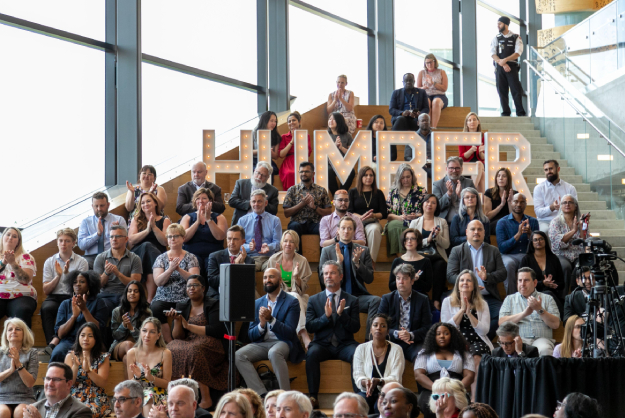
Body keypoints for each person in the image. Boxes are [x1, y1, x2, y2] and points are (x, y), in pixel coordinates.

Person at [235, 267, 304, 395]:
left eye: (271, 277)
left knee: (274, 352)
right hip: (261, 343)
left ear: (280, 279)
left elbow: (289, 332)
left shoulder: (291, 302)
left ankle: (285, 395)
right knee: (238, 355)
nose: (268, 280)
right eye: (265, 277)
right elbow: (251, 334)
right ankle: (261, 394)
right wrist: (261, 324)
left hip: (282, 342)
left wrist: (271, 319)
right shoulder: (257, 303)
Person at [167, 275, 228, 410]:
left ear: (203, 288)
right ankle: (175, 396)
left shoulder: (213, 304)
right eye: (189, 286)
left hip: (212, 341)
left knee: (195, 350)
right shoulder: (182, 305)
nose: (191, 288)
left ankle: (206, 398)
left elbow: (217, 330)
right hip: (189, 340)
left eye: (195, 285)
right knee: (169, 349)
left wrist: (188, 326)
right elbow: (177, 336)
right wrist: (177, 320)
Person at [305, 261, 361, 410]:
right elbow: (310, 326)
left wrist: (342, 315)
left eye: (332, 273)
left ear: (341, 276)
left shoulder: (352, 300)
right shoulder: (313, 300)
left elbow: (355, 327)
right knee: (311, 353)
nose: (328, 276)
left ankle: (359, 396)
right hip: (322, 344)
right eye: (326, 273)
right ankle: (313, 397)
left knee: (358, 352)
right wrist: (326, 317)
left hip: (345, 344)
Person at [319, 217, 380, 339]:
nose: (346, 231)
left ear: (354, 231)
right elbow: (322, 280)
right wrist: (338, 263)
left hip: (357, 297)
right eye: (343, 228)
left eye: (349, 228)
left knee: (376, 301)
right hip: (336, 295)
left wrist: (358, 264)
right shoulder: (327, 251)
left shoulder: (363, 250)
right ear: (338, 231)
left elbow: (369, 279)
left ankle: (370, 340)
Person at [447, 220, 506, 339]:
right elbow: (450, 275)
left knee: (502, 315)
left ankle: (480, 340)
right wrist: (469, 286)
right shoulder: (457, 250)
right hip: (463, 297)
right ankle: (467, 343)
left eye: (479, 229)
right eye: (473, 229)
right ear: (466, 232)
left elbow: (503, 273)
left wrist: (487, 277)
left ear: (484, 233)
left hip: (488, 297)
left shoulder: (493, 250)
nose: (476, 232)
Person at [441, 270, 493, 399]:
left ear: (474, 285)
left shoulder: (483, 304)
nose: (465, 282)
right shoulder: (447, 301)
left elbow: (484, 330)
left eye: (469, 280)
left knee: (476, 356)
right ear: (457, 284)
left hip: (477, 340)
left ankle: (475, 400)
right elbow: (445, 329)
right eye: (462, 280)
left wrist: (469, 314)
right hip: (456, 340)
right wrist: (462, 311)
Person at [151, 223, 200, 342]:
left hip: (184, 296)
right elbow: (158, 282)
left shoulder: (191, 257)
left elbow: (195, 279)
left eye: (176, 236)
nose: (172, 239)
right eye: (169, 236)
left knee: (182, 307)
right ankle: (169, 342)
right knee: (155, 307)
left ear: (183, 238)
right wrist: (170, 269)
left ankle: (180, 339)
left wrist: (178, 269)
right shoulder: (161, 258)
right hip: (164, 296)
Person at [266, 230, 314, 349]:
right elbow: (269, 286)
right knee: (293, 297)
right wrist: (279, 278)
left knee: (294, 296)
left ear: (296, 244)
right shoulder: (273, 260)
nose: (288, 244)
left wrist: (296, 277)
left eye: (292, 242)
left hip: (298, 297)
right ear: (282, 243)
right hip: (277, 298)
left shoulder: (302, 261)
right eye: (286, 241)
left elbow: (301, 290)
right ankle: (303, 334)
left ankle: (301, 333)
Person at [42, 229, 89, 347]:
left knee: (72, 307)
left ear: (74, 243)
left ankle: (60, 341)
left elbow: (82, 287)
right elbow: (46, 290)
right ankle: (50, 344)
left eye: (67, 241)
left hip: (72, 295)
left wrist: (67, 275)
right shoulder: (49, 261)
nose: (63, 244)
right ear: (57, 242)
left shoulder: (81, 262)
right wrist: (58, 276)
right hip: (54, 296)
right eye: (61, 240)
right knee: (46, 308)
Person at [414, 325, 474, 418]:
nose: (442, 336)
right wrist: (436, 388)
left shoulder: (463, 353)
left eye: (446, 333)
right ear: (433, 337)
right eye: (438, 334)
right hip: (432, 388)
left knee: (463, 403)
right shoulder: (424, 353)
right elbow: (418, 375)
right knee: (426, 403)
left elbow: (469, 376)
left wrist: (455, 388)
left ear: (452, 336)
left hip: (456, 388)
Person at [499, 267, 561, 356]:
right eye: (520, 280)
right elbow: (501, 323)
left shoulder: (548, 298)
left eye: (526, 280)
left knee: (545, 350)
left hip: (541, 339)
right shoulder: (509, 299)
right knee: (516, 350)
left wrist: (540, 310)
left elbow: (555, 324)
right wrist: (524, 314)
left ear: (535, 283)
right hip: (519, 340)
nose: (522, 284)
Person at [352, 314, 405, 413]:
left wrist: (379, 381)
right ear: (371, 329)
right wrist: (366, 382)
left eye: (383, 326)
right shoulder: (360, 348)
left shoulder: (397, 349)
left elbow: (396, 378)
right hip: (366, 392)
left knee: (380, 407)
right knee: (359, 404)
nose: (378, 328)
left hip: (389, 392)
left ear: (388, 331)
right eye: (375, 325)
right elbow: (358, 375)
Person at [50, 271, 107, 362]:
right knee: (58, 353)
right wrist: (74, 316)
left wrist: (84, 310)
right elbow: (60, 334)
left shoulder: (99, 302)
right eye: (75, 282)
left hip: (91, 340)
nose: (78, 284)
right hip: (69, 341)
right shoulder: (65, 304)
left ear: (90, 285)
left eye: (82, 282)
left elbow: (98, 328)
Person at [379, 264, 432, 362]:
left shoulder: (423, 299)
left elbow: (427, 327)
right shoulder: (387, 299)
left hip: (413, 343)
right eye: (398, 278)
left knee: (422, 357)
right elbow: (379, 325)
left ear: (412, 281)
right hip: (391, 341)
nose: (401, 282)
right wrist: (397, 333)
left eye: (404, 278)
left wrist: (410, 335)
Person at [409, 194, 450, 308]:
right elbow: (411, 243)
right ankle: (421, 298)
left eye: (433, 202)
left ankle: (436, 300)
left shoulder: (442, 222)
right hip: (419, 255)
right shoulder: (414, 223)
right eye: (427, 201)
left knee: (441, 264)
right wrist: (429, 239)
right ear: (422, 204)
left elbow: (446, 245)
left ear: (437, 206)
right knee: (423, 262)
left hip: (437, 255)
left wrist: (437, 237)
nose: (429, 204)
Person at [126, 317, 172, 417]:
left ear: (158, 335)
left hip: (159, 393)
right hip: (137, 393)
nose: (147, 335)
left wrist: (152, 378)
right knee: (145, 397)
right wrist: (137, 377)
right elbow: (130, 386)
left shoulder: (165, 353)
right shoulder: (132, 353)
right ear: (140, 333)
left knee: (149, 396)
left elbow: (167, 384)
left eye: (152, 332)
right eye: (144, 331)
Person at [128, 192, 171, 301]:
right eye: (142, 202)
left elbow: (165, 242)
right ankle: (150, 299)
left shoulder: (165, 220)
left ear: (155, 203)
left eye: (148, 201)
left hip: (157, 253)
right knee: (147, 246)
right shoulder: (136, 219)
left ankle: (150, 298)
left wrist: (154, 227)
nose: (145, 204)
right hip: (139, 253)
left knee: (151, 253)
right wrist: (147, 230)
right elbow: (131, 239)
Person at [64, 323, 111, 418]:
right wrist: (75, 367)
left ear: (96, 339)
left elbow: (102, 383)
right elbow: (68, 383)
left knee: (86, 413)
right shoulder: (70, 356)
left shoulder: (103, 357)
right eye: (82, 335)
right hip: (74, 395)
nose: (86, 339)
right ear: (78, 337)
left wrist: (89, 371)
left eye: (90, 336)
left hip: (96, 396)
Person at [283, 162, 333, 250]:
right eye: (301, 172)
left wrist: (314, 207)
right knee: (293, 226)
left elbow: (328, 212)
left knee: (323, 227)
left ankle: (324, 262)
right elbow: (286, 213)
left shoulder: (321, 190)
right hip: (298, 222)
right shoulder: (292, 190)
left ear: (313, 173)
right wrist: (302, 204)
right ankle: (298, 260)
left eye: (306, 171)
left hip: (315, 223)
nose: (303, 174)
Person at [94, 224, 143, 313]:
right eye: (111, 236)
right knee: (100, 306)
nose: (114, 239)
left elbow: (135, 283)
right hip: (106, 295)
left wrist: (118, 274)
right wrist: (106, 273)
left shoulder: (135, 258)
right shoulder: (100, 257)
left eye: (117, 236)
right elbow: (98, 285)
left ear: (126, 239)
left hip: (126, 295)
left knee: (125, 309)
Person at [496, 193, 539, 294]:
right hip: (509, 255)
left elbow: (538, 246)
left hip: (527, 254)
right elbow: (502, 248)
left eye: (522, 202)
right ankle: (511, 298)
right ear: (511, 203)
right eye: (515, 201)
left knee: (534, 262)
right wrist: (518, 234)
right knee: (509, 264)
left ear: (525, 204)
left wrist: (530, 234)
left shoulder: (533, 222)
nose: (518, 204)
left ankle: (532, 298)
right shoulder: (502, 222)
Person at [180, 188, 227, 277]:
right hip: (192, 254)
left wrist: (209, 219)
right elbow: (184, 238)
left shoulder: (219, 217)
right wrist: (197, 222)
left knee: (210, 266)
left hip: (213, 255)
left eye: (204, 198)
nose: (201, 201)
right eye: (198, 198)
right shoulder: (187, 217)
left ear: (210, 201)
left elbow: (220, 236)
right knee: (195, 266)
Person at [348, 166, 388, 263]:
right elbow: (349, 211)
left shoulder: (378, 193)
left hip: (372, 222)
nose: (368, 177)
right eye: (365, 175)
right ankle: (353, 262)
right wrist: (361, 217)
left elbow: (384, 213)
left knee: (374, 230)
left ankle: (371, 262)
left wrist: (373, 215)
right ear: (361, 177)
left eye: (371, 175)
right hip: (356, 222)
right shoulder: (353, 192)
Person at [22, 363, 92, 418]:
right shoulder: (34, 408)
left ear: (68, 384)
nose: (50, 383)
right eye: (48, 378)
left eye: (56, 379)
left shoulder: (81, 411)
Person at [520, 231, 565, 316]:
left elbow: (562, 283)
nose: (538, 242)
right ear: (531, 243)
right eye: (535, 240)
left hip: (552, 294)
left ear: (545, 241)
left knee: (551, 295)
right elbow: (522, 283)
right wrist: (542, 284)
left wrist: (552, 284)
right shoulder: (526, 259)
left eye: (541, 239)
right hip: (531, 295)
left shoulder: (553, 258)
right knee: (548, 294)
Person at [109, 281, 153, 369]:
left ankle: (132, 382)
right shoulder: (117, 311)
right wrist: (123, 325)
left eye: (136, 291)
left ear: (140, 294)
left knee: (127, 359)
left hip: (139, 346)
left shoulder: (147, 313)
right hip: (119, 346)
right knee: (129, 345)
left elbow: (146, 337)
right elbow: (115, 336)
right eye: (130, 291)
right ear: (126, 293)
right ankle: (142, 374)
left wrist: (132, 328)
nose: (132, 293)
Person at [385, 164, 426, 257]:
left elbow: (425, 212)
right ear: (399, 178)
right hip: (396, 220)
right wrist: (399, 217)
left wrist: (416, 216)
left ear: (412, 177)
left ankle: (409, 257)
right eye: (403, 177)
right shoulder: (393, 192)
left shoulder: (421, 191)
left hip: (415, 221)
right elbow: (387, 213)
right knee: (394, 225)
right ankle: (402, 258)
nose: (406, 180)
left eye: (408, 177)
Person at [0, 318, 38, 418]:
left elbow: (30, 383)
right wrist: (11, 370)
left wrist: (18, 364)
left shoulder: (32, 353)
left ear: (24, 333)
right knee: (2, 413)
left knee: (21, 413)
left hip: (25, 397)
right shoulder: (0, 353)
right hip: (2, 397)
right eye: (10, 329)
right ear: (6, 335)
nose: (13, 331)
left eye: (18, 329)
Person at [77, 192, 127, 268]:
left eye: (102, 205)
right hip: (91, 257)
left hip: (112, 255)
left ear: (108, 205)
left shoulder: (119, 220)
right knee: (82, 264)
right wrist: (97, 234)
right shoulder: (86, 222)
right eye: (96, 206)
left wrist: (117, 233)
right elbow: (81, 245)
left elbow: (125, 243)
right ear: (92, 206)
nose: (99, 209)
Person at [0, 227, 37, 328]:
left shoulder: (26, 257)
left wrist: (13, 263)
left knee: (23, 310)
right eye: (8, 234)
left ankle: (23, 344)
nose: (10, 237)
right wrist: (3, 262)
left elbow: (24, 279)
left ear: (18, 241)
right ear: (2, 237)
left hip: (21, 296)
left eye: (14, 236)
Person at [205, 225, 255, 298]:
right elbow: (212, 281)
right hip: (218, 296)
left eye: (235, 239)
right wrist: (234, 266)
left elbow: (250, 284)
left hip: (239, 295)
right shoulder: (215, 256)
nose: (231, 242)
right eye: (229, 239)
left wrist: (241, 265)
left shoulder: (249, 261)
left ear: (243, 242)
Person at [237, 190, 282, 271]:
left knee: (272, 272)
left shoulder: (275, 220)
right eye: (253, 201)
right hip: (249, 257)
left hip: (269, 257)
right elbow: (237, 244)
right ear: (250, 203)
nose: (256, 204)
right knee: (247, 272)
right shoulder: (242, 221)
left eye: (259, 201)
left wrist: (269, 247)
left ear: (266, 203)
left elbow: (278, 244)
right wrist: (248, 247)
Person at [490, 16, 526, 117]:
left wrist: (505, 60)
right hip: (500, 68)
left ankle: (520, 113)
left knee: (516, 90)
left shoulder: (516, 37)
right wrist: (502, 63)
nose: (498, 25)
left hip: (512, 67)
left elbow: (518, 52)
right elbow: (493, 53)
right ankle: (505, 113)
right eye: (497, 23)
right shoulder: (496, 38)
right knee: (502, 91)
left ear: (506, 24)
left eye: (500, 23)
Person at [549, 194, 583, 295]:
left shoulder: (579, 221)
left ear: (575, 206)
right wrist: (573, 231)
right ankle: (563, 298)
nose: (567, 204)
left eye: (570, 202)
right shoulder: (556, 221)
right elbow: (557, 243)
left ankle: (577, 297)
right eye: (564, 202)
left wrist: (583, 226)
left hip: (577, 254)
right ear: (561, 206)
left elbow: (584, 240)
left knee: (580, 267)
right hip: (561, 254)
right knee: (566, 267)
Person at [229, 162, 280, 226]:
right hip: (241, 223)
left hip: (262, 223)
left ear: (268, 177)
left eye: (263, 175)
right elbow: (232, 201)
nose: (259, 177)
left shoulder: (273, 190)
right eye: (258, 173)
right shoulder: (241, 184)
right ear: (254, 171)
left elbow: (274, 211)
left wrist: (263, 202)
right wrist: (251, 203)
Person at [533, 160, 578, 232]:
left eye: (551, 168)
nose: (548, 172)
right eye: (546, 170)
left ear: (558, 169)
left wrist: (565, 207)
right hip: (545, 221)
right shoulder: (539, 188)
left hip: (565, 220)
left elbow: (575, 208)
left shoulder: (570, 188)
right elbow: (538, 212)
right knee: (545, 231)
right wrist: (551, 207)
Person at [388, 229, 433, 297]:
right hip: (401, 296)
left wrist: (416, 280)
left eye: (413, 238)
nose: (409, 241)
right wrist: (402, 278)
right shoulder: (397, 261)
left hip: (419, 298)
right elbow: (391, 287)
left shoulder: (426, 261)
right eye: (406, 239)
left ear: (418, 241)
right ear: (403, 241)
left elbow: (428, 288)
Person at [432, 157, 476, 225]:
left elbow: (475, 204)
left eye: (457, 168)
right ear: (446, 169)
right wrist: (448, 194)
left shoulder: (469, 183)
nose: (454, 170)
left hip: (465, 222)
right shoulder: (437, 184)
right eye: (451, 168)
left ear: (462, 169)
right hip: (445, 223)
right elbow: (437, 206)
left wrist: (460, 196)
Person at [279, 111, 312, 190]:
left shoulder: (305, 135)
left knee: (307, 173)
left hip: (302, 160)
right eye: (289, 121)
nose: (291, 123)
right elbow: (281, 154)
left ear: (299, 122)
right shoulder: (284, 136)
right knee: (290, 173)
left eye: (293, 120)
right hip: (289, 161)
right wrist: (292, 141)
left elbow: (308, 153)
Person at [327, 112, 356, 196]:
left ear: (339, 121)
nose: (330, 121)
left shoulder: (347, 135)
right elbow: (324, 154)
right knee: (328, 171)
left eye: (333, 119)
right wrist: (334, 146)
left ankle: (341, 192)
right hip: (329, 163)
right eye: (329, 119)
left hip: (343, 162)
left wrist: (341, 148)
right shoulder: (326, 135)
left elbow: (352, 154)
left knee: (351, 171)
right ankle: (336, 194)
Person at [417, 54, 448, 129]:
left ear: (434, 62)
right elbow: (417, 89)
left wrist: (433, 83)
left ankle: (433, 128)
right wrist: (423, 87)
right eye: (427, 63)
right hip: (426, 94)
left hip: (439, 95)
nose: (429, 64)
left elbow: (444, 88)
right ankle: (427, 127)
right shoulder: (422, 73)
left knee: (436, 102)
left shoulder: (441, 72)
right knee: (427, 102)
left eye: (431, 62)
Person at [458, 113, 485, 193]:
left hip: (480, 163)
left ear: (478, 122)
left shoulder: (483, 136)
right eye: (469, 120)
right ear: (466, 123)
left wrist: (481, 153)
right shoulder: (462, 137)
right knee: (481, 172)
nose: (472, 122)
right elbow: (461, 157)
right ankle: (474, 193)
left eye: (474, 119)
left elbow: (484, 157)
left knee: (480, 165)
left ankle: (470, 192)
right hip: (467, 163)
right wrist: (470, 151)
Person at [484, 168, 517, 234]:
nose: (500, 178)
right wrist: (501, 205)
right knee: (501, 222)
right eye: (498, 176)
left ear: (508, 179)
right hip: (494, 223)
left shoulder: (515, 194)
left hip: (509, 223)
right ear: (496, 179)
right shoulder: (489, 192)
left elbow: (514, 217)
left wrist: (509, 202)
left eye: (504, 176)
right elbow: (487, 216)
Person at [252, 111, 281, 175]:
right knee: (256, 171)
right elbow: (248, 152)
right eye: (271, 121)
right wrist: (262, 151)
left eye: (275, 121)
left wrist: (270, 152)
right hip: (255, 160)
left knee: (270, 171)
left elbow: (276, 156)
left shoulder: (276, 136)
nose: (274, 123)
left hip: (267, 161)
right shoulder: (254, 133)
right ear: (265, 120)